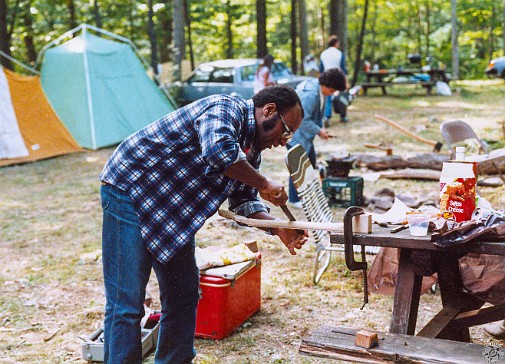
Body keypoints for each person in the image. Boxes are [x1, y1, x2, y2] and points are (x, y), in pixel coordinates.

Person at [99, 84, 308, 363]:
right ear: (268, 110)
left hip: (170, 212)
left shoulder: (250, 150)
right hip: (131, 191)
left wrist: (278, 226)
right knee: (127, 303)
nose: (284, 140)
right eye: (286, 130)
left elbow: (244, 202)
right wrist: (265, 183)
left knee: (184, 294)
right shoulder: (224, 109)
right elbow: (220, 153)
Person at [287, 68, 347, 207]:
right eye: (332, 91)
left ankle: (305, 194)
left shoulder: (320, 91)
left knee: (310, 162)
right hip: (295, 133)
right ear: (327, 85)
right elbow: (303, 119)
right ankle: (294, 199)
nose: (332, 94)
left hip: (304, 135)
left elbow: (316, 116)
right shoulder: (310, 95)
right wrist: (319, 131)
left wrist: (321, 129)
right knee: (298, 167)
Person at [319, 35, 349, 124]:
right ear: (336, 43)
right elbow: (343, 68)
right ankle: (343, 116)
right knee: (341, 96)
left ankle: (326, 117)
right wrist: (346, 81)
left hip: (326, 78)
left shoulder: (323, 54)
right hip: (338, 78)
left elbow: (321, 69)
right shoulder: (339, 53)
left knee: (327, 97)